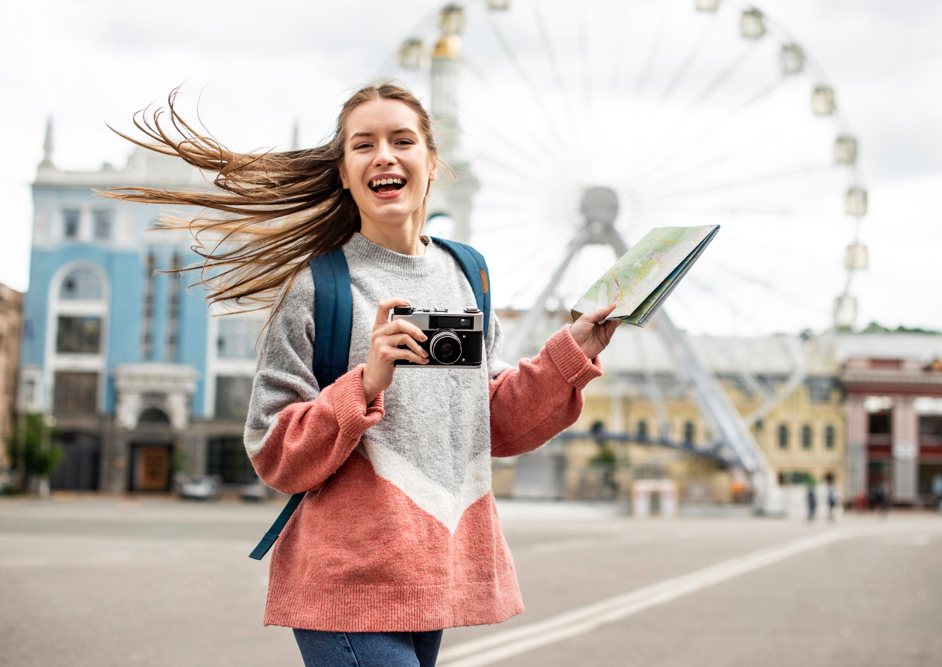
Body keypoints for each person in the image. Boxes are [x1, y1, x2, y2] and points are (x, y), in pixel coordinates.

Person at [102, 82, 619, 667]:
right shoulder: (315, 287)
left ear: (431, 161)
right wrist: (365, 384)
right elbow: (274, 451)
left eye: (403, 140)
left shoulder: (468, 273)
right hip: (345, 579)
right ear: (345, 172)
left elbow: (494, 422)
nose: (385, 156)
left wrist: (569, 353)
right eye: (362, 145)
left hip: (431, 575)